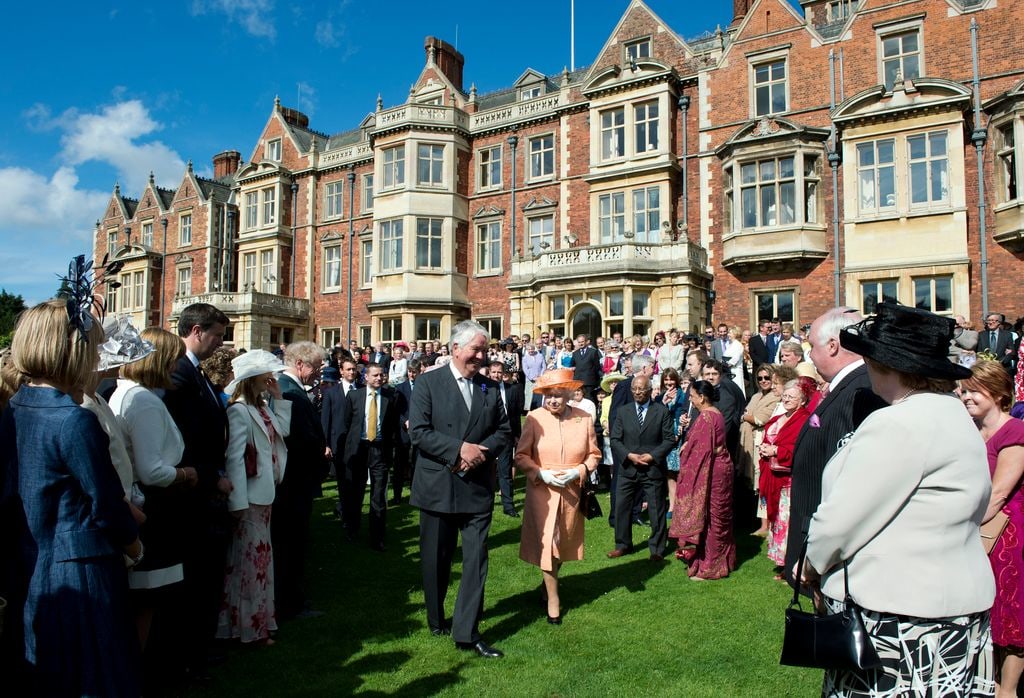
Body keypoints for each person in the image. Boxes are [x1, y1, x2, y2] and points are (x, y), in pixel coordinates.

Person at [799, 302, 994, 696]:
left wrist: (810, 566)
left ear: (885, 364)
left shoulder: (898, 423)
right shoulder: (952, 413)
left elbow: (843, 518)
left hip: (901, 617)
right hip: (950, 607)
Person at [5, 299, 143, 696]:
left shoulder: (16, 407)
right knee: (95, 676)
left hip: (30, 566)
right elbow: (107, 502)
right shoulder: (73, 419)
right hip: (81, 571)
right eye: (93, 347)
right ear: (73, 350)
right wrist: (134, 546)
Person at [409, 320, 512, 658]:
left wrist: (478, 453)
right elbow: (420, 432)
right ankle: (436, 618)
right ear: (455, 348)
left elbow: (503, 431)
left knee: (476, 560)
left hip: (477, 486)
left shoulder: (489, 388)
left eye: (484, 350)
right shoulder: (427, 383)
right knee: (436, 560)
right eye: (475, 350)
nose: (481, 356)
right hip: (438, 485)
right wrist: (458, 450)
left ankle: (467, 632)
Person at [784, 307, 886, 586]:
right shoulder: (848, 386)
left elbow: (854, 485)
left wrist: (817, 557)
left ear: (832, 346)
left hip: (831, 555)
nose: (810, 355)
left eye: (812, 346)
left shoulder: (862, 391)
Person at [109, 328, 191, 657]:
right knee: (148, 598)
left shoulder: (127, 392)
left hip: (147, 501)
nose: (176, 366)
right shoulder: (141, 399)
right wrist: (187, 473)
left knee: (146, 597)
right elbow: (151, 469)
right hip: (156, 505)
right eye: (172, 359)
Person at [161, 302, 231, 679]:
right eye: (217, 335)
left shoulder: (195, 372)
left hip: (204, 487)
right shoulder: (180, 374)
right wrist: (209, 476)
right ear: (196, 331)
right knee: (195, 578)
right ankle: (188, 656)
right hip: (193, 493)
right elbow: (185, 439)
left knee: (205, 577)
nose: (220, 343)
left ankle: (198, 650)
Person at [514, 369, 601, 624]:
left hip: (572, 489)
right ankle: (554, 600)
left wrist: (579, 470)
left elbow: (594, 454)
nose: (552, 401)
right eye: (548, 396)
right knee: (549, 543)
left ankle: (547, 585)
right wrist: (540, 473)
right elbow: (521, 456)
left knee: (563, 543)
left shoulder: (584, 418)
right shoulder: (534, 418)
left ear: (567, 395)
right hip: (543, 490)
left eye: (557, 396)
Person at [217, 350, 291, 646]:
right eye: (266, 375)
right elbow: (234, 458)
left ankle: (256, 622)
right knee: (250, 564)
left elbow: (283, 432)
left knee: (259, 561)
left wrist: (279, 397)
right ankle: (249, 627)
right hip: (249, 498)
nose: (270, 379)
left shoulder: (261, 406)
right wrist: (237, 503)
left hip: (264, 494)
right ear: (252, 378)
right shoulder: (238, 410)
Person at [961, 360, 1024, 697]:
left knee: (1010, 611)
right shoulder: (969, 431)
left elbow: (999, 493)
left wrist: (961, 526)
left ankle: (1007, 689)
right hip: (977, 530)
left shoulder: (1016, 432)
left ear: (998, 394)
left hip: (1007, 534)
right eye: (964, 391)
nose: (966, 397)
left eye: (974, 390)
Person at [274, 341, 328, 618]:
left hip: (295, 481)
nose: (319, 373)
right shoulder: (289, 392)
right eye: (316, 367)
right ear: (299, 364)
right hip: (294, 483)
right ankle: (290, 603)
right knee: (291, 545)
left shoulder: (289, 388)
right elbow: (298, 439)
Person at [670, 380, 737, 580]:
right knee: (714, 515)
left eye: (692, 396)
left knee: (713, 517)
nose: (690, 399)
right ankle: (718, 559)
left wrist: (686, 448)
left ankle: (712, 567)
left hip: (713, 470)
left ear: (702, 397)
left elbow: (701, 449)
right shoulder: (714, 413)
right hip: (719, 466)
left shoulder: (707, 417)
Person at [607, 374, 676, 561]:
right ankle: (622, 544)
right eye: (635, 389)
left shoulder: (660, 411)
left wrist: (653, 456)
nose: (637, 392)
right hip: (627, 468)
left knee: (656, 509)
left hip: (652, 468)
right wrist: (628, 455)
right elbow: (615, 439)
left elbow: (670, 439)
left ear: (650, 390)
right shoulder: (623, 411)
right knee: (622, 507)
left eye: (641, 389)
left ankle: (657, 549)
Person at [757, 378, 813, 577]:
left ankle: (790, 563)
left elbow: (801, 448)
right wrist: (765, 447)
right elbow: (769, 436)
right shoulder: (780, 416)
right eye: (785, 395)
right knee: (778, 520)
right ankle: (782, 562)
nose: (787, 399)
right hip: (773, 475)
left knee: (787, 521)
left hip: (789, 480)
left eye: (792, 397)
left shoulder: (805, 419)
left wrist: (776, 450)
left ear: (803, 400)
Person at [342, 362, 400, 552]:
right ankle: (352, 528)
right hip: (359, 448)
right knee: (355, 492)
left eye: (381, 375)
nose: (379, 378)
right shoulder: (354, 396)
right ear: (365, 377)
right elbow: (347, 423)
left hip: (379, 450)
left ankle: (377, 536)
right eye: (374, 375)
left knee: (379, 494)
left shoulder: (391, 397)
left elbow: (393, 426)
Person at [741, 364, 781, 537]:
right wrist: (749, 416)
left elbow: (760, 418)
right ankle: (761, 522)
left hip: (764, 443)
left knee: (763, 483)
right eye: (760, 378)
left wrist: (746, 416)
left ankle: (766, 524)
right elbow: (750, 414)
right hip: (751, 443)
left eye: (767, 377)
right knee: (757, 483)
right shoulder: (756, 396)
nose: (763, 381)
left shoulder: (776, 397)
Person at [492, 360, 526, 517]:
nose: (496, 375)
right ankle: (486, 502)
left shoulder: (512, 390)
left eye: (499, 372)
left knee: (505, 471)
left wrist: (517, 435)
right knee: (486, 472)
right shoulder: (482, 388)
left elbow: (515, 416)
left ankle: (508, 505)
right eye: (494, 372)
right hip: (487, 436)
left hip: (506, 435)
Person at [659, 368, 688, 515]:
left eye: (671, 379)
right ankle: (672, 505)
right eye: (666, 380)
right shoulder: (659, 397)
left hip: (680, 436)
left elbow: (684, 414)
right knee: (669, 472)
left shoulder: (684, 395)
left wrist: (678, 431)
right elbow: (657, 415)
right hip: (665, 437)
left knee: (681, 472)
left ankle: (682, 505)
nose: (669, 383)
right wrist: (664, 403)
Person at [569, 334, 602, 402]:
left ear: (586, 341)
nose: (581, 343)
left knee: (589, 399)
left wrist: (595, 378)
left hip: (589, 381)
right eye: (579, 342)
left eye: (582, 341)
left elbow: (597, 366)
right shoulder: (575, 353)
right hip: (578, 381)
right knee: (578, 399)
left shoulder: (593, 352)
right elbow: (572, 366)